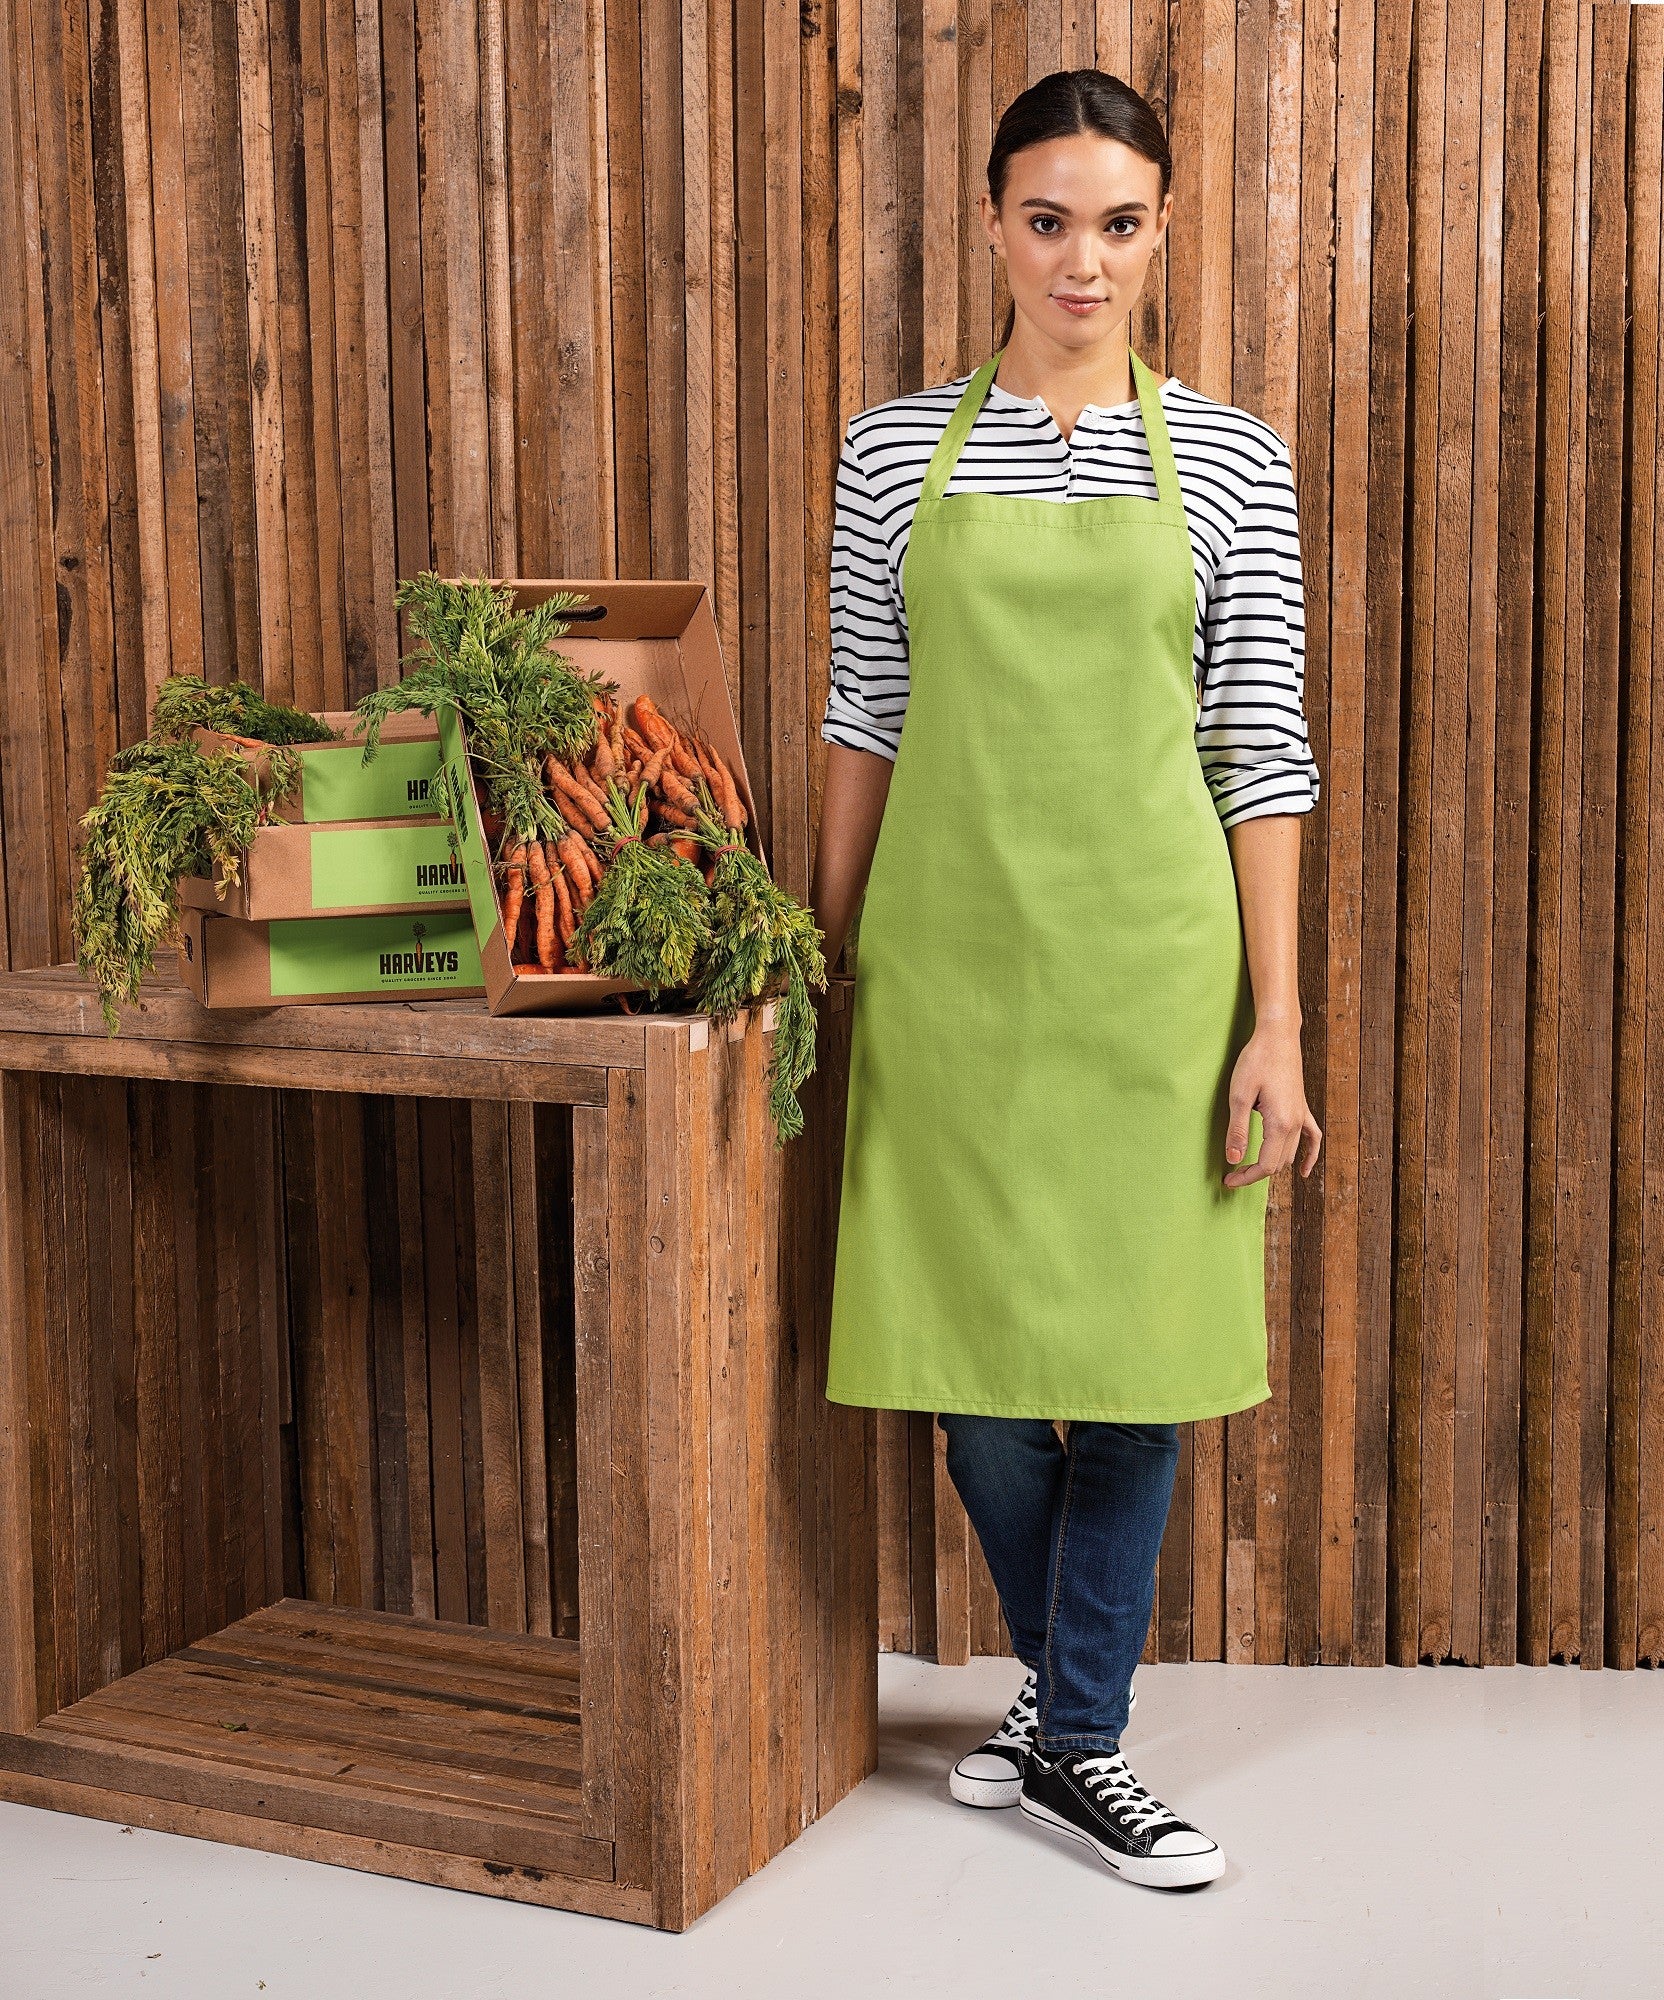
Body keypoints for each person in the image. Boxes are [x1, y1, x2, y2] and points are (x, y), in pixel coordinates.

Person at [808, 68, 1324, 1893]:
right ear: (994, 227)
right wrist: (825, 960)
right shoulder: (893, 454)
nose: (1081, 260)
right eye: (1048, 220)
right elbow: (867, 714)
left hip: (1153, 981)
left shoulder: (1233, 459)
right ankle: (1064, 1709)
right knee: (973, 1377)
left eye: (1118, 224)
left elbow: (1259, 745)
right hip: (948, 972)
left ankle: (1080, 1740)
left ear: (1161, 233)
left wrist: (1276, 1022)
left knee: (1137, 1367)